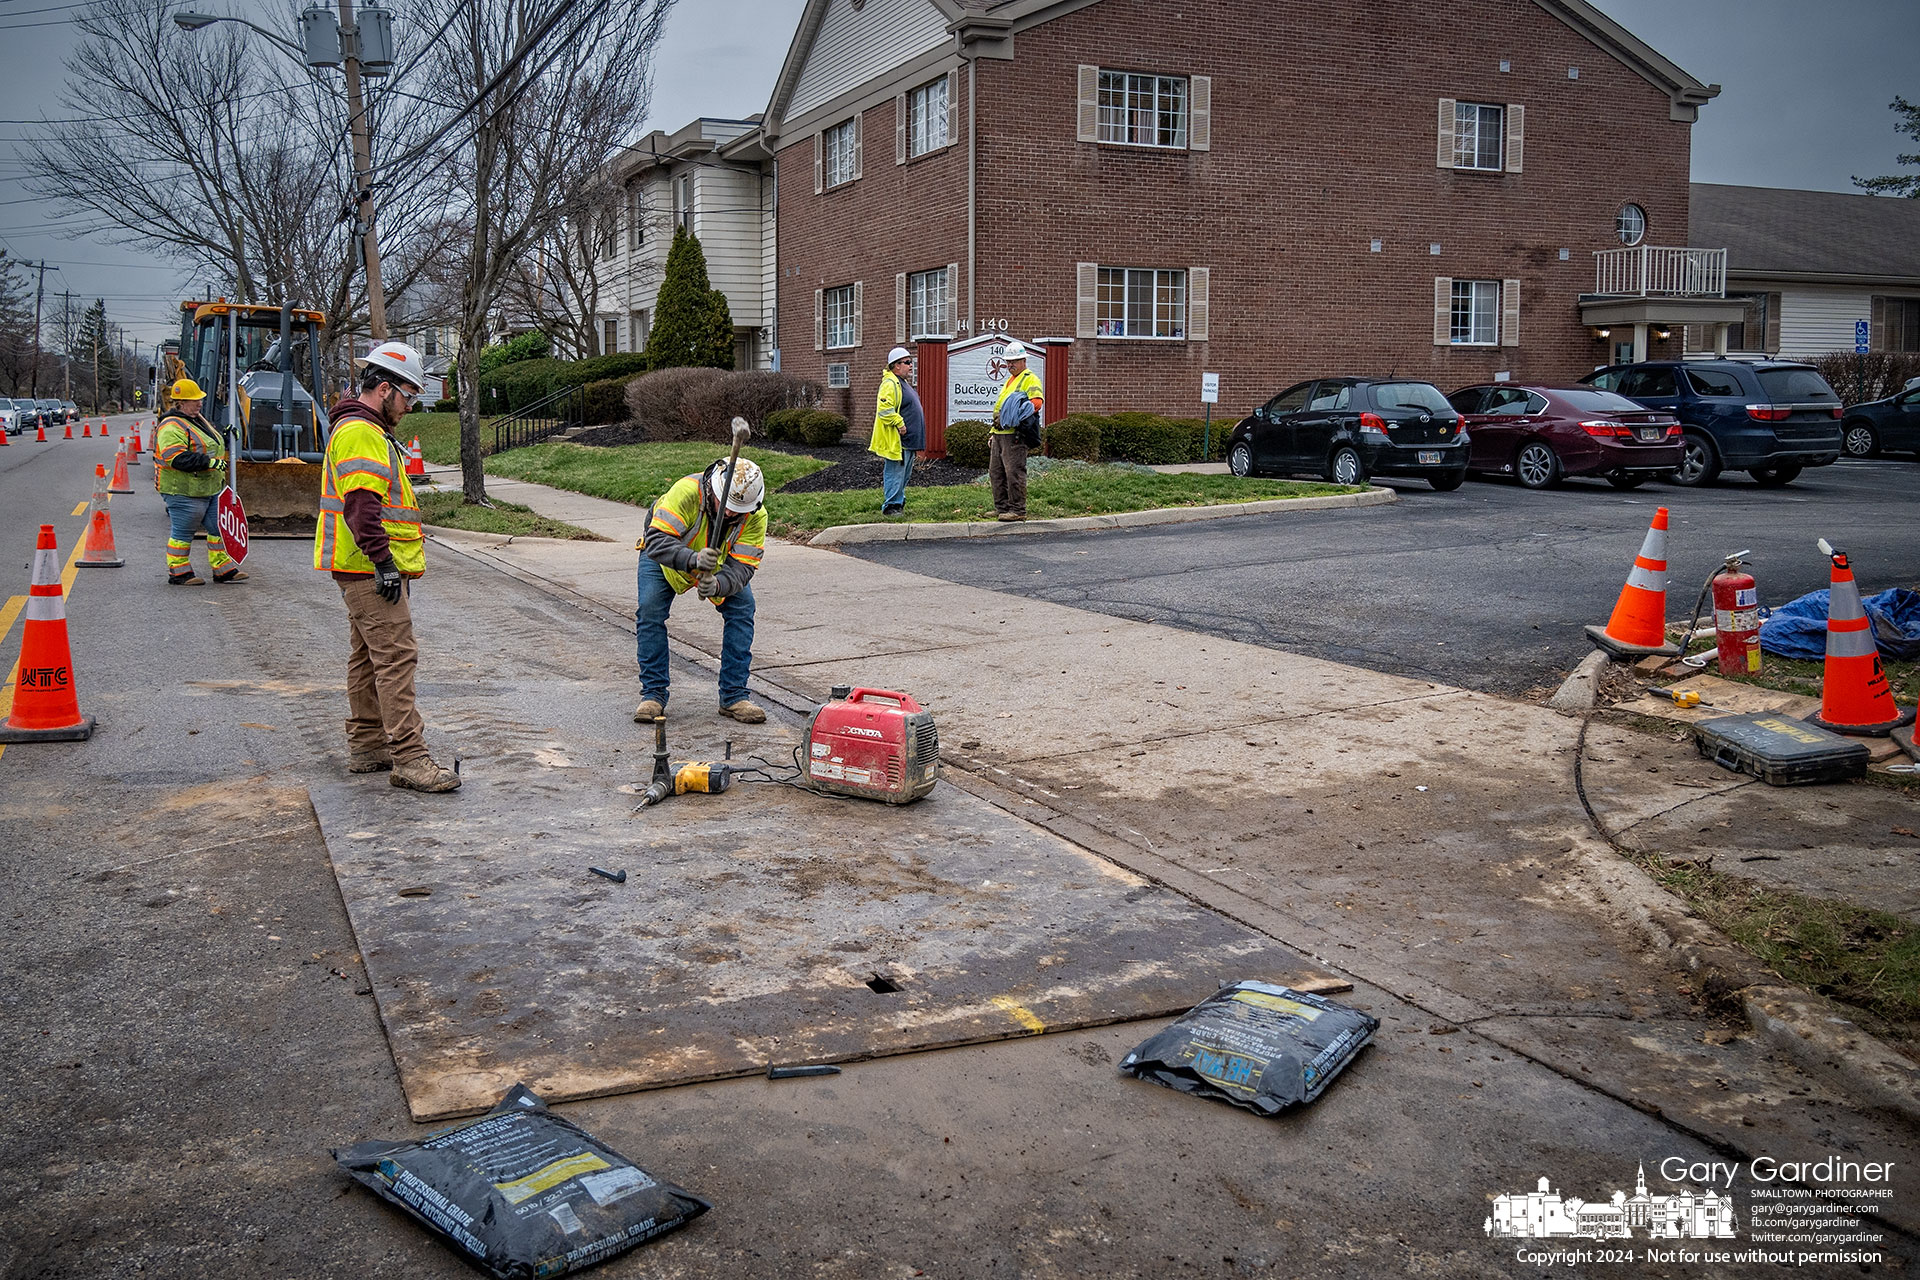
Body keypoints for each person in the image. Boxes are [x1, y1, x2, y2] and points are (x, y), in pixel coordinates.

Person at [312, 340, 460, 793]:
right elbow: (361, 506)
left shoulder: (363, 429)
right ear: (383, 388)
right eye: (408, 395)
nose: (410, 404)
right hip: (368, 567)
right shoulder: (362, 432)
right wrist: (384, 564)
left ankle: (368, 746)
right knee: (396, 656)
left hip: (357, 566)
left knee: (366, 657)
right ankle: (409, 759)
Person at [634, 456, 768, 725]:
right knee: (649, 611)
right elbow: (656, 541)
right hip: (665, 558)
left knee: (742, 609)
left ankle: (733, 696)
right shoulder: (685, 492)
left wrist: (719, 584)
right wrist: (693, 560)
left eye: (738, 509)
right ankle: (653, 694)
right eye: (726, 506)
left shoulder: (755, 517)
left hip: (717, 567)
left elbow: (743, 567)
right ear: (713, 490)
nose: (730, 514)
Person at [154, 378, 247, 586]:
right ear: (180, 403)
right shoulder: (171, 426)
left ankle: (222, 569)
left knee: (218, 527)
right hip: (183, 489)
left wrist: (226, 435)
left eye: (200, 399)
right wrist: (210, 463)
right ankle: (179, 572)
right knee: (183, 532)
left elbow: (208, 444)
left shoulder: (197, 420)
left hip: (209, 488)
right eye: (194, 400)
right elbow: (177, 458)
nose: (200, 403)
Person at [989, 340, 1043, 521]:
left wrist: (1014, 417)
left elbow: (1036, 403)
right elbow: (1001, 409)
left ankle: (1018, 510)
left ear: (1024, 361)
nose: (1010, 364)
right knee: (996, 473)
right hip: (999, 434)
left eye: (1014, 361)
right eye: (1008, 361)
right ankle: (1002, 507)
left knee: (1014, 472)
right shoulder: (1010, 381)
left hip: (1015, 435)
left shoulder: (1030, 378)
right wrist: (993, 432)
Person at [871, 346, 925, 515]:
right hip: (899, 440)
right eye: (907, 362)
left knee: (904, 475)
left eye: (911, 362)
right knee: (895, 473)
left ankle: (898, 503)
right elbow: (884, 409)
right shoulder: (889, 383)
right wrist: (900, 424)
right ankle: (891, 506)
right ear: (896, 365)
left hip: (909, 441)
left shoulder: (902, 383)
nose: (911, 365)